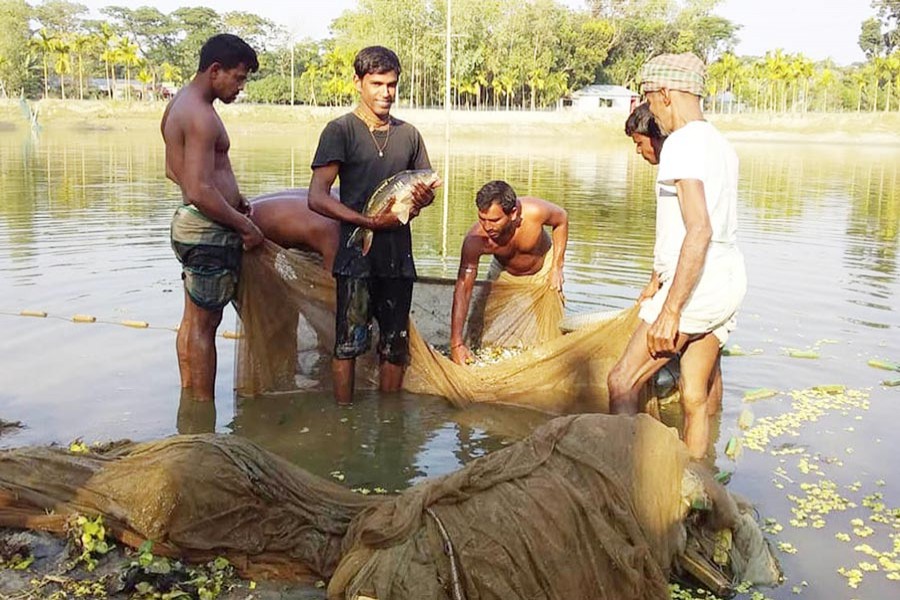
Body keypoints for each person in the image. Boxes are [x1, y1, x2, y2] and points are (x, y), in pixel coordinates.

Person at [607, 53, 747, 460]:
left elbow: (698, 228)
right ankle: (698, 491)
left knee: (622, 382)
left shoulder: (682, 141)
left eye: (650, 101)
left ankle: (630, 490)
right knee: (695, 397)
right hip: (728, 278)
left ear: (665, 94)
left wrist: (671, 310)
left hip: (698, 286)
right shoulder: (720, 143)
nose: (652, 113)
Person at [308, 46, 441, 405]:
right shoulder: (340, 131)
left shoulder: (409, 135)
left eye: (392, 84)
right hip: (355, 256)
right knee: (348, 344)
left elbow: (419, 194)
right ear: (358, 82)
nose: (386, 92)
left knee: (395, 345)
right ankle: (345, 418)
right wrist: (368, 222)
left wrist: (421, 203)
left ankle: (388, 423)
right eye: (377, 83)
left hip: (399, 257)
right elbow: (317, 197)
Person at [162, 33, 263, 402]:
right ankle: (203, 413)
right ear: (215, 70)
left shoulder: (178, 105)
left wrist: (235, 199)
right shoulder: (202, 116)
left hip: (190, 224)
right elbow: (200, 189)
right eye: (238, 78)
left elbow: (176, 172)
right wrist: (244, 224)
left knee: (193, 320)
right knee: (206, 325)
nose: (240, 87)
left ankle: (190, 402)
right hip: (208, 231)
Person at [449, 180, 568, 365]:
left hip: (543, 267)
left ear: (513, 214)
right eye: (482, 219)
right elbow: (464, 287)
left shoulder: (534, 212)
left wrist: (557, 267)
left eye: (494, 220)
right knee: (479, 318)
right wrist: (456, 344)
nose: (487, 227)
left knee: (550, 328)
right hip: (504, 270)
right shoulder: (475, 240)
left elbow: (561, 219)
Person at [249, 189, 339, 271]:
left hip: (244, 211)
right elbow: (332, 279)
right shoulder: (333, 231)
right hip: (245, 232)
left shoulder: (333, 195)